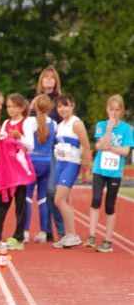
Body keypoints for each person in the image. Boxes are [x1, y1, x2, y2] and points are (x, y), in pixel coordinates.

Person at [0, 93, 36, 251]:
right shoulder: (5, 122)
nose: (10, 109)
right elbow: (1, 142)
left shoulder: (25, 123)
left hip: (19, 171)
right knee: (0, 202)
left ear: (22, 108)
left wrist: (19, 137)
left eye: (14, 106)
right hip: (5, 169)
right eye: (8, 106)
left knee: (20, 204)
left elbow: (30, 146)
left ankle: (18, 238)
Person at [83, 94, 133, 253]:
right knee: (96, 199)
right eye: (111, 109)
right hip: (99, 169)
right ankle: (91, 235)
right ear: (107, 110)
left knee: (110, 205)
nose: (114, 113)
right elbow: (99, 145)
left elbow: (125, 151)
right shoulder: (101, 125)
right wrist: (109, 128)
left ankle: (108, 240)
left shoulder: (126, 129)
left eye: (117, 110)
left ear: (122, 111)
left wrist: (110, 148)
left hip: (115, 172)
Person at [52, 94, 92, 249]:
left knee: (58, 200)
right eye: (60, 106)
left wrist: (86, 168)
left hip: (71, 164)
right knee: (66, 200)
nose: (62, 109)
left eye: (65, 105)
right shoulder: (61, 125)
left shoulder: (76, 123)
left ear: (72, 106)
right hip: (60, 163)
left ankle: (73, 235)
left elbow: (87, 146)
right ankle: (69, 234)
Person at [32, 66, 65, 242]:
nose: (49, 80)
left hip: (54, 151)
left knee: (52, 190)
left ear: (56, 81)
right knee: (41, 193)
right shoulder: (35, 101)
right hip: (37, 152)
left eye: (52, 78)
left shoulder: (60, 101)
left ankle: (61, 229)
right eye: (46, 77)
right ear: (41, 80)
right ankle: (46, 229)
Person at [24, 94, 57, 243]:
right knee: (42, 198)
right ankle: (43, 232)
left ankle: (24, 231)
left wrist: (30, 109)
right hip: (47, 161)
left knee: (27, 197)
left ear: (35, 106)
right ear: (49, 107)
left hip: (32, 160)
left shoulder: (30, 121)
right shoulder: (54, 124)